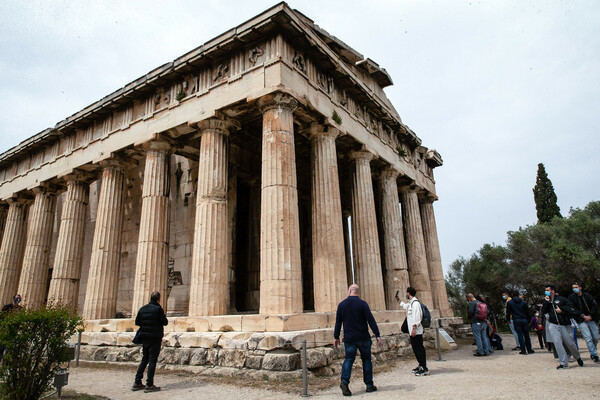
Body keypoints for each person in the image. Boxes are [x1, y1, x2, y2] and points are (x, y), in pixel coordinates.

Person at [334, 284, 382, 396]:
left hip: (349, 338)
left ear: (349, 291)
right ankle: (369, 385)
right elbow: (371, 320)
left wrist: (336, 337)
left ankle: (344, 382)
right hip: (363, 337)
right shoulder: (363, 304)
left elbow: (338, 322)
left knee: (349, 359)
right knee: (366, 360)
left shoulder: (342, 305)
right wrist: (377, 335)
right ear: (357, 292)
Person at [132, 291, 168, 392]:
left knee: (144, 359)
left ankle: (137, 382)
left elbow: (137, 322)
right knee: (152, 360)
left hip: (145, 338)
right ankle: (149, 384)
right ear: (158, 299)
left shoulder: (142, 309)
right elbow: (165, 322)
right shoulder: (158, 309)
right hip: (155, 338)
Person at [541, 284, 583, 369]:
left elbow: (572, 309)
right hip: (553, 324)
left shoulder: (562, 299)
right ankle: (563, 363)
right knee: (557, 343)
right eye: (546, 290)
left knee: (570, 343)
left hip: (564, 324)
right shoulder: (547, 301)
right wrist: (546, 302)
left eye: (548, 290)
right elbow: (544, 311)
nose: (546, 292)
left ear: (553, 291)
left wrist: (562, 310)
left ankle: (577, 356)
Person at [396, 287, 428, 376]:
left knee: (420, 349)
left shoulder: (416, 304)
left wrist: (414, 329)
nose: (406, 294)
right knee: (416, 349)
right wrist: (398, 299)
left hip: (416, 331)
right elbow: (404, 306)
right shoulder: (411, 303)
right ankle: (420, 365)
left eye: (406, 293)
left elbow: (417, 318)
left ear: (409, 293)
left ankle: (424, 368)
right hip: (413, 331)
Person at [568, 282, 599, 363]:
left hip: (591, 319)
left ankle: (593, 350)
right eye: (573, 287)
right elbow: (572, 309)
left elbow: (594, 305)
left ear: (580, 287)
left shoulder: (587, 296)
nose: (575, 289)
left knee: (595, 337)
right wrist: (582, 316)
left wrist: (590, 315)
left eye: (576, 287)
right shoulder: (571, 297)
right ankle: (594, 354)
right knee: (588, 337)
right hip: (581, 320)